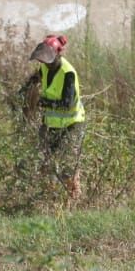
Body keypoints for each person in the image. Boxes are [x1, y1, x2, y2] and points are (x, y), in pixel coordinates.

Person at [18, 34, 84, 199]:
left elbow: (66, 104)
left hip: (72, 125)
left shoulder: (68, 73)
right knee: (45, 163)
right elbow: (33, 80)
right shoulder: (45, 68)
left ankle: (74, 199)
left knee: (68, 167)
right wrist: (21, 94)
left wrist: (41, 102)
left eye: (47, 60)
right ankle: (50, 198)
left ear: (57, 55)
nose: (43, 63)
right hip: (51, 124)